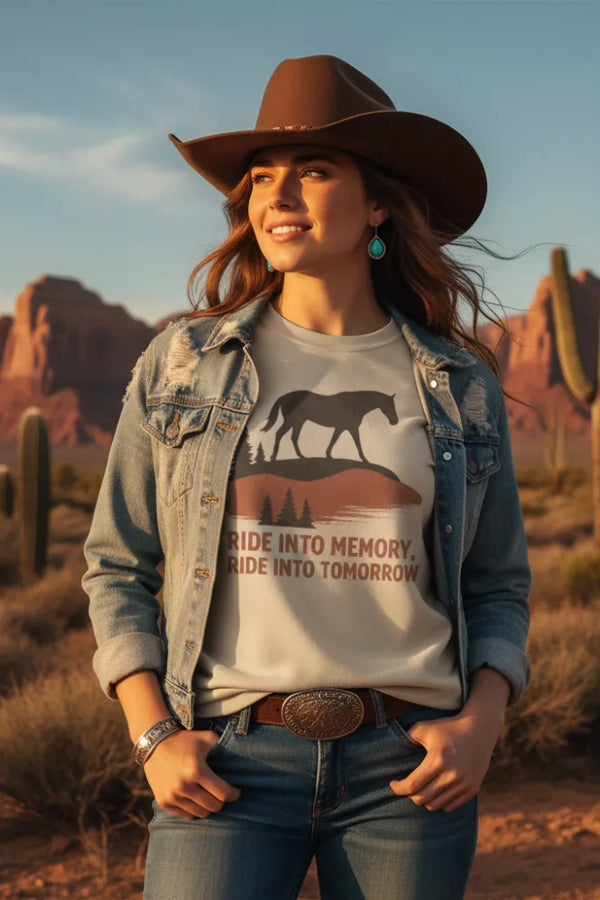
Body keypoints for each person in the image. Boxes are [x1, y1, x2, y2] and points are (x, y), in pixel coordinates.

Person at [82, 54, 531, 900]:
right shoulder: (183, 366)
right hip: (227, 761)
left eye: (313, 172)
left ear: (376, 209)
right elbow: (118, 563)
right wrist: (152, 736)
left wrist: (482, 723)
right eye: (262, 178)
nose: (278, 196)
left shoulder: (458, 385)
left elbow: (497, 581)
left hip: (409, 766)